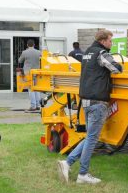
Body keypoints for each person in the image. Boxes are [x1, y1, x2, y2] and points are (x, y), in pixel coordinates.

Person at [57, 29, 122, 184]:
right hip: (97, 102)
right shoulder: (101, 53)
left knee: (90, 137)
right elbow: (116, 68)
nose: (111, 44)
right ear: (103, 40)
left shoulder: (87, 53)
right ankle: (83, 174)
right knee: (92, 138)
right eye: (110, 41)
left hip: (86, 101)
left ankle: (68, 163)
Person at [16, 40, 44, 112]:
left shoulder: (25, 52)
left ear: (27, 45)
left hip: (28, 73)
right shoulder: (39, 52)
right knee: (36, 89)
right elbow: (42, 60)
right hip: (37, 72)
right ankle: (38, 105)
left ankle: (33, 106)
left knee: (30, 89)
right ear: (34, 44)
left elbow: (20, 61)